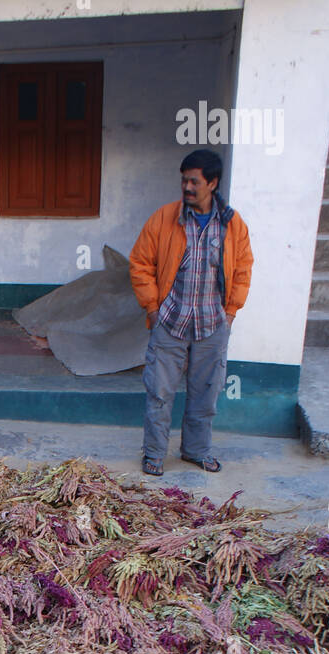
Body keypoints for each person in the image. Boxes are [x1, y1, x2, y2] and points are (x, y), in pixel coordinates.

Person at [128, 149, 253, 477]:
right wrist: (152, 308)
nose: (186, 187)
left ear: (212, 183)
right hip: (170, 322)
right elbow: (140, 262)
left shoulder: (232, 224)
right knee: (159, 392)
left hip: (212, 325)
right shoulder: (164, 218)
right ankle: (154, 454)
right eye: (183, 180)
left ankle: (196, 451)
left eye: (193, 181)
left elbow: (243, 268)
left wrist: (230, 313)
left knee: (206, 395)